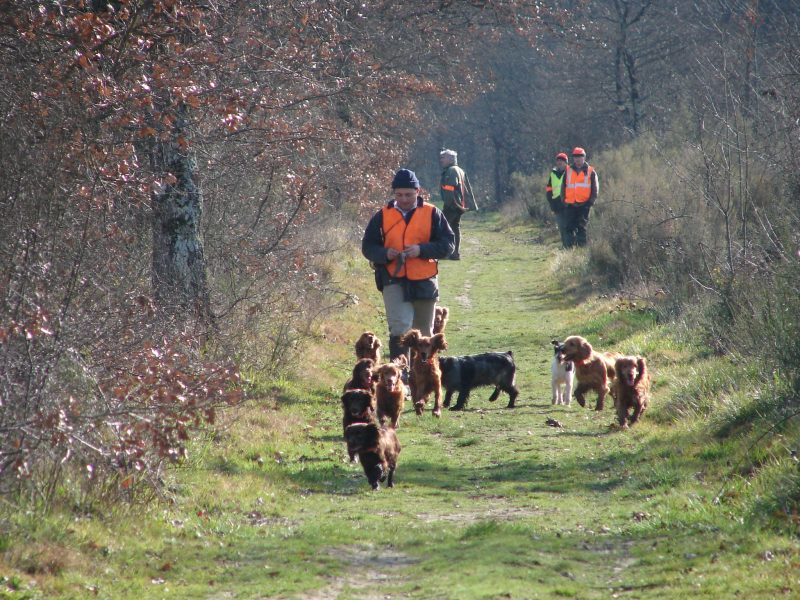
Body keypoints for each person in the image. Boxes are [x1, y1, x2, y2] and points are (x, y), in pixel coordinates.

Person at [362, 169, 455, 363]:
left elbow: (448, 246)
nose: (404, 199)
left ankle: (421, 379)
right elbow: (368, 247)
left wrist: (422, 250)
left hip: (425, 280)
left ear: (418, 191)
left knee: (424, 333)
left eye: (409, 195)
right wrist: (384, 254)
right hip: (392, 278)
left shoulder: (432, 213)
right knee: (400, 329)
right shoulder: (382, 215)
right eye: (399, 195)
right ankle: (401, 378)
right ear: (394, 193)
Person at [439, 149, 478, 260]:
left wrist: (449, 204)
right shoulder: (459, 170)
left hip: (452, 205)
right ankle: (455, 254)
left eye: (443, 158)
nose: (441, 160)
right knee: (454, 228)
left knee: (440, 227)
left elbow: (450, 188)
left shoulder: (451, 171)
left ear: (451, 159)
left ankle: (441, 252)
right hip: (459, 205)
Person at [560, 147, 599, 248]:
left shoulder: (591, 172)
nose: (577, 159)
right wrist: (564, 201)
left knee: (582, 227)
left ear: (584, 157)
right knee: (569, 227)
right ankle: (568, 249)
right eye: (575, 157)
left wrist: (590, 203)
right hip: (570, 205)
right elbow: (563, 187)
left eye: (579, 157)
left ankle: (581, 248)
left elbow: (595, 189)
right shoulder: (568, 171)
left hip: (584, 205)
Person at [546, 152, 569, 248]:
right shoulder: (553, 173)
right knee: (561, 226)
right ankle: (564, 245)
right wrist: (551, 202)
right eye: (557, 160)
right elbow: (549, 189)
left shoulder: (570, 172)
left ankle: (570, 246)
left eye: (561, 161)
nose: (559, 162)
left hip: (568, 202)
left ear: (566, 162)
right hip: (557, 203)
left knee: (569, 226)